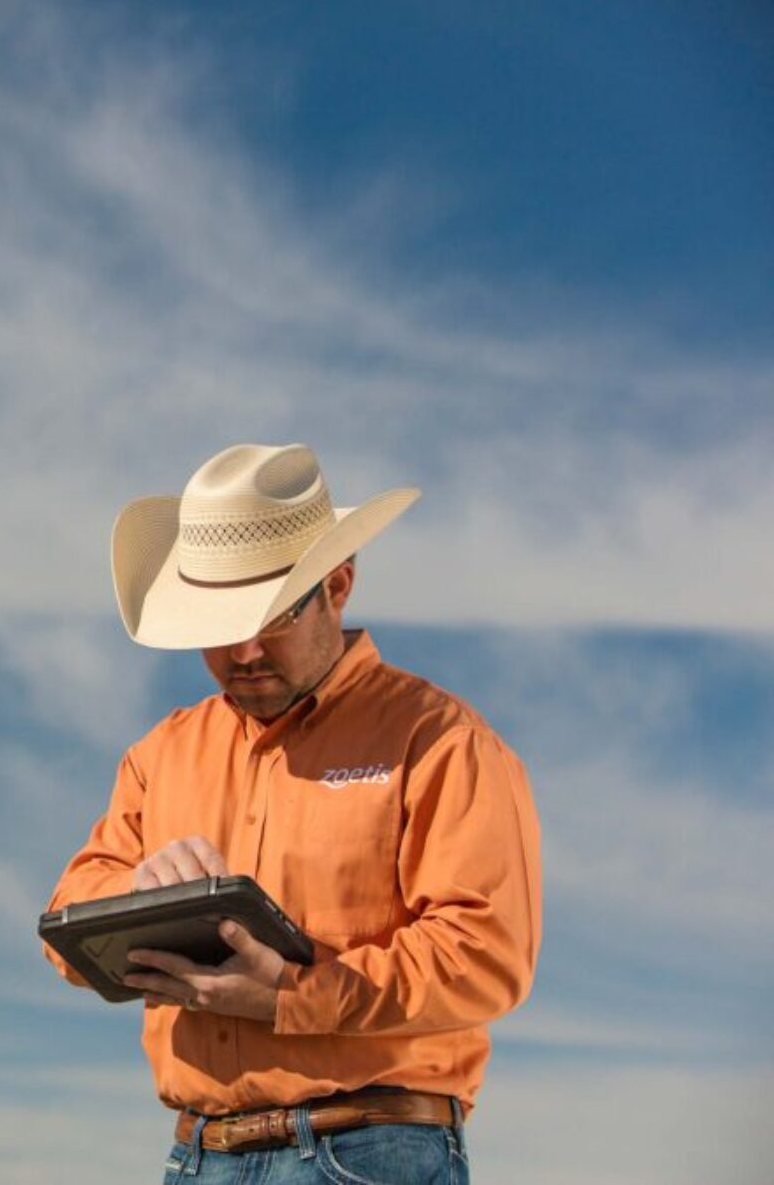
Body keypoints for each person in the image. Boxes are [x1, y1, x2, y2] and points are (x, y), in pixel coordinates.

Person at [43, 443, 540, 1184]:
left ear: (338, 586)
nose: (243, 649)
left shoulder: (439, 740)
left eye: (270, 615)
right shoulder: (160, 754)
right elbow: (65, 929)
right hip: (199, 1156)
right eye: (217, 620)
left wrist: (292, 995)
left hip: (371, 1153)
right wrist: (136, 895)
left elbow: (486, 956)